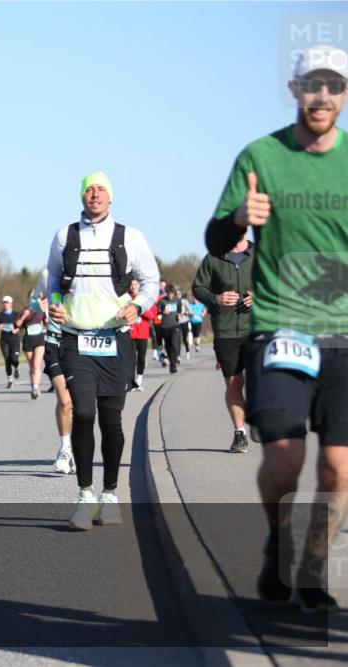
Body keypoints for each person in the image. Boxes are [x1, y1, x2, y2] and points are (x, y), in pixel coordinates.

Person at [204, 44, 348, 612]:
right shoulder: (259, 156)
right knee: (285, 458)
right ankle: (277, 542)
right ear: (294, 91)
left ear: (344, 94)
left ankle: (313, 565)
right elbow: (215, 240)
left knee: (338, 467)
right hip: (281, 327)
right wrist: (239, 219)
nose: (322, 95)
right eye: (312, 85)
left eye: (333, 85)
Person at [47, 171, 159, 529]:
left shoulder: (131, 236)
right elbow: (51, 279)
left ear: (110, 197)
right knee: (81, 413)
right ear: (81, 197)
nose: (94, 195)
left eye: (101, 190)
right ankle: (85, 495)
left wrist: (139, 305)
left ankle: (110, 495)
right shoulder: (65, 235)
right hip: (75, 337)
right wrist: (54, 302)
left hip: (115, 339)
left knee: (111, 422)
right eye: (89, 190)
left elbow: (152, 279)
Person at [192, 231, 255, 453]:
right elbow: (198, 287)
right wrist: (216, 299)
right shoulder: (214, 257)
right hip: (226, 331)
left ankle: (256, 415)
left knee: (259, 379)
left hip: (257, 328)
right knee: (234, 383)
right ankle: (240, 434)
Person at [45, 292, 75, 475]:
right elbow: (36, 308)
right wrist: (40, 307)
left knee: (80, 403)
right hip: (54, 346)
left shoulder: (85, 285)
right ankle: (65, 448)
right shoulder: (53, 286)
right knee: (64, 400)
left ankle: (77, 448)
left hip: (79, 346)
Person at [16, 291, 48, 399]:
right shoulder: (24, 311)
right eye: (33, 297)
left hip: (39, 339)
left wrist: (47, 320)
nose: (36, 299)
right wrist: (23, 317)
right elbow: (17, 325)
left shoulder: (41, 310)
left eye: (38, 296)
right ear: (29, 298)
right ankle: (34, 386)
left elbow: (46, 322)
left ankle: (35, 387)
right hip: (28, 340)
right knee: (32, 367)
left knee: (36, 365)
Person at [128, 278, 157, 392]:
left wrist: (140, 309)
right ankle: (131, 382)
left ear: (139, 286)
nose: (133, 287)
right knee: (130, 358)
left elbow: (152, 315)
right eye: (132, 284)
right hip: (130, 333)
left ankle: (139, 381)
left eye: (135, 284)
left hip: (142, 334)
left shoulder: (145, 299)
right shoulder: (126, 298)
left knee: (141, 358)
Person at [0, 296, 20, 387]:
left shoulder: (16, 314)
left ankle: (16, 367)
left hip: (14, 339)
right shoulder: (0, 315)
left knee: (14, 359)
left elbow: (21, 324)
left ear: (11, 303)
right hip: (4, 340)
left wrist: (17, 329)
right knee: (7, 360)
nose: (5, 304)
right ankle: (10, 381)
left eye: (7, 302)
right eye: (4, 302)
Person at [157, 284, 184, 374]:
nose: (170, 295)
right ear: (166, 293)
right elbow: (156, 313)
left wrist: (180, 315)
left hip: (175, 325)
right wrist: (162, 312)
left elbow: (180, 310)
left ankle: (173, 365)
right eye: (168, 294)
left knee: (175, 345)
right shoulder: (162, 301)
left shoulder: (177, 300)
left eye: (172, 294)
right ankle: (171, 363)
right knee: (168, 346)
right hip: (165, 327)